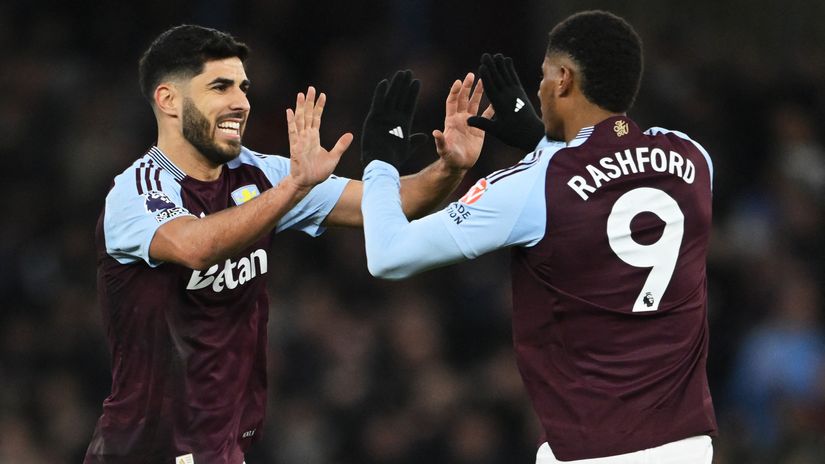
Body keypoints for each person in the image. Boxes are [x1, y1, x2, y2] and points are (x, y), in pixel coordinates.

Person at [85, 24, 484, 464]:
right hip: (148, 450)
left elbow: (393, 205)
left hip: (223, 445)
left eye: (243, 87)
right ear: (168, 100)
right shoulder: (137, 191)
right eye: (220, 86)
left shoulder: (263, 174)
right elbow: (191, 246)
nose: (240, 101)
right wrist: (291, 189)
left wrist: (449, 169)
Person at [360, 10, 717, 464]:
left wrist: (380, 164)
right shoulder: (693, 157)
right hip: (688, 445)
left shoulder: (532, 184)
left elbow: (388, 255)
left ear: (564, 80)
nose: (539, 91)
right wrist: (540, 141)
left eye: (543, 77)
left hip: (595, 450)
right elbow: (604, 189)